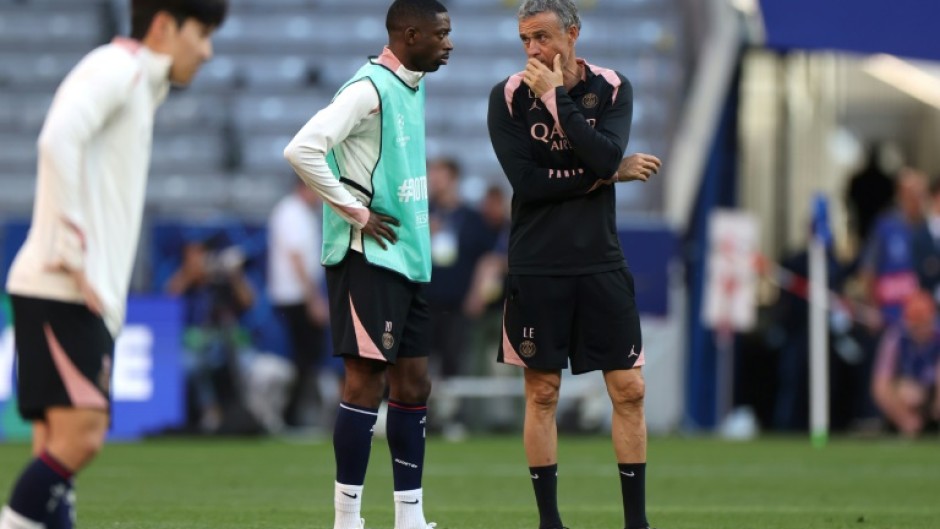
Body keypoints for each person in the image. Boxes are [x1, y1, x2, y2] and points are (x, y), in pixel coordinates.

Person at [0, 1, 227, 527]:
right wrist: (74, 254)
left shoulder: (143, 85)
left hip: (70, 291)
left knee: (57, 454)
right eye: (203, 33)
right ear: (165, 25)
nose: (208, 50)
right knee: (82, 438)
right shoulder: (118, 67)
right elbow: (57, 138)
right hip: (63, 289)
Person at [486, 2, 661, 529]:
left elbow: (605, 153)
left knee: (629, 389)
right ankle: (550, 523)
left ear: (572, 34)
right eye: (524, 40)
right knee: (542, 392)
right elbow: (531, 185)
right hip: (538, 265)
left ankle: (637, 523)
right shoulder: (508, 97)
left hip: (600, 261)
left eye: (541, 37)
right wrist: (605, 175)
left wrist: (556, 100)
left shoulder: (611, 87)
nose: (532, 50)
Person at [282, 2, 452, 528]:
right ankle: (347, 520)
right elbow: (302, 149)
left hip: (408, 256)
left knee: (414, 383)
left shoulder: (411, 84)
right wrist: (353, 209)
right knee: (364, 382)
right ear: (410, 34)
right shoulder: (367, 88)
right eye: (441, 34)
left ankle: (409, 519)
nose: (449, 43)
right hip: (366, 257)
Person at [164, 236, 255, 433]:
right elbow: (168, 297)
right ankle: (210, 412)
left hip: (225, 342)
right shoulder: (188, 284)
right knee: (193, 364)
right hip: (192, 343)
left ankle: (248, 416)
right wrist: (190, 273)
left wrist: (234, 276)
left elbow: (248, 302)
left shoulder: (223, 281)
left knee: (248, 364)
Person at [268, 180, 330, 429]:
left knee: (306, 358)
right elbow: (296, 258)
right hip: (294, 296)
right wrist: (313, 298)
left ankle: (296, 414)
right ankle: (291, 415)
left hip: (297, 295)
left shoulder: (299, 213)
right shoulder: (291, 212)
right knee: (304, 358)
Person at [871, 290, 940, 437]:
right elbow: (880, 386)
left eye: (924, 322)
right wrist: (905, 420)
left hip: (932, 394)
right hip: (909, 396)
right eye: (916, 324)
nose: (921, 329)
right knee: (905, 392)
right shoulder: (895, 338)